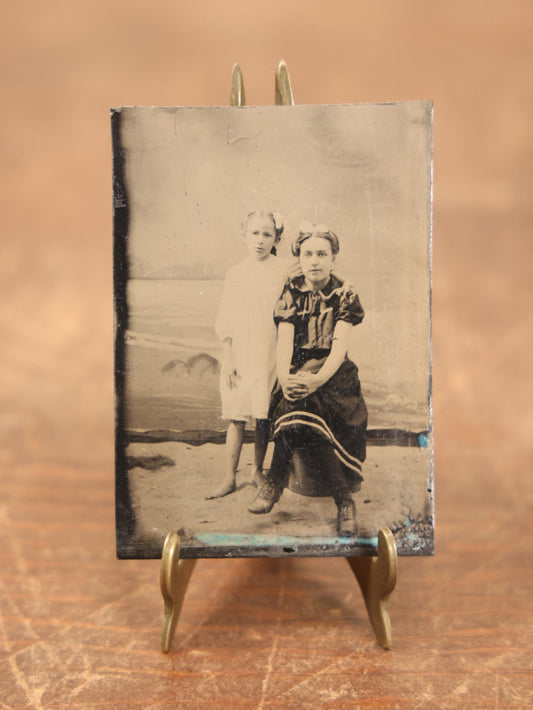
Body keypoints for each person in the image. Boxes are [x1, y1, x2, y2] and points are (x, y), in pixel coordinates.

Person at [248, 224, 367, 537]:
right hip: (298, 368)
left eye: (322, 254)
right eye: (308, 254)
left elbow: (339, 348)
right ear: (299, 257)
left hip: (333, 374)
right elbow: (285, 340)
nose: (314, 260)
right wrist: (285, 376)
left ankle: (278, 483)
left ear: (333, 258)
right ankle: (344, 504)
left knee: (307, 403)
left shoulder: (344, 294)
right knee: (294, 400)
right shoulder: (292, 291)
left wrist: (317, 380)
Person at [206, 210, 286, 499]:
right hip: (241, 351)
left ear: (277, 237)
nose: (260, 240)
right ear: (244, 235)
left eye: (267, 234)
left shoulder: (282, 271)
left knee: (262, 415)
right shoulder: (236, 273)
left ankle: (257, 471)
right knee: (236, 416)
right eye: (255, 233)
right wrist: (228, 357)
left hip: (269, 350)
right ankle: (229, 476)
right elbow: (225, 318)